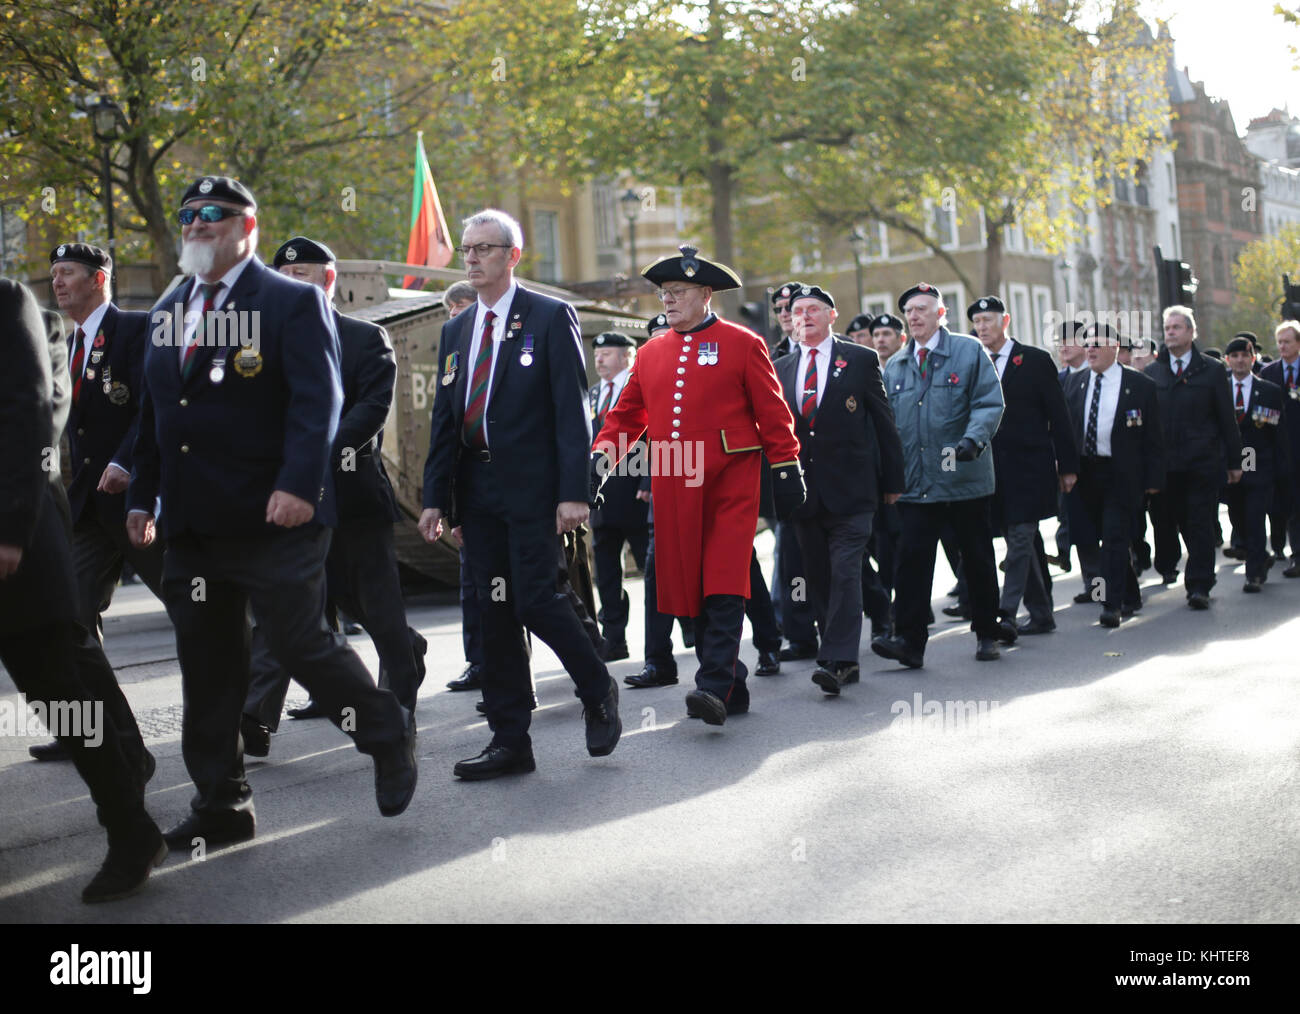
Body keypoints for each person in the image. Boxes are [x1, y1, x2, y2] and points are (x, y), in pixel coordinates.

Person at [127, 176, 417, 848]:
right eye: (189, 216)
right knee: (207, 665)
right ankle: (223, 803)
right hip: (195, 525)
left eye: (214, 215)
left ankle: (382, 728)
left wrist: (297, 483)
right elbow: (156, 414)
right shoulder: (171, 304)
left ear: (246, 228)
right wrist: (143, 496)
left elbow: (318, 403)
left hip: (275, 517)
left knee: (296, 642)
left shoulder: (288, 301)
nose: (197, 224)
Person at [419, 208, 621, 778]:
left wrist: (574, 491)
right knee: (496, 609)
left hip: (533, 490)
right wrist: (437, 498)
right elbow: (445, 419)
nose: (473, 259)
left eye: (484, 248)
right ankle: (510, 740)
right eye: (467, 250)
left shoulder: (549, 315)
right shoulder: (457, 330)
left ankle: (596, 687)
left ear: (512, 255)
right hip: (477, 491)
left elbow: (570, 411)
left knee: (535, 598)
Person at [0, 277, 164, 903]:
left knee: (62, 698)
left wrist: (11, 527)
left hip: (15, 551)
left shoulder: (9, 305)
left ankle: (130, 830)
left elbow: (28, 416)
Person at [593, 245, 804, 726]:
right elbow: (626, 416)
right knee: (687, 581)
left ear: (705, 294)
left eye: (678, 291)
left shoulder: (742, 342)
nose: (667, 300)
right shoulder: (650, 352)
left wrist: (787, 466)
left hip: (731, 478)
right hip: (672, 478)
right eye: (664, 293)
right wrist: (601, 460)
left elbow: (772, 412)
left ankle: (710, 684)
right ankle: (732, 682)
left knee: (725, 577)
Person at [240, 236, 427, 751]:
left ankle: (400, 705)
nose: (293, 283)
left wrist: (311, 450)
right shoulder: (262, 348)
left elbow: (370, 410)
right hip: (290, 502)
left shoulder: (366, 338)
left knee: (379, 611)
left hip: (352, 497)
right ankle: (255, 716)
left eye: (304, 275)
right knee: (284, 611)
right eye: (285, 275)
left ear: (328, 280)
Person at [26, 244, 163, 765]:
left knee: (199, 611)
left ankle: (239, 713)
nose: (57, 283)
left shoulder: (137, 329)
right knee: (68, 617)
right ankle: (87, 730)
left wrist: (129, 461)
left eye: (68, 274)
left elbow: (154, 406)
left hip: (138, 500)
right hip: (85, 507)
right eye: (53, 273)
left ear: (99, 279)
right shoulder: (62, 340)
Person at [776, 285, 903, 694]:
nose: (805, 316)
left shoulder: (860, 360)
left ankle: (839, 660)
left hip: (853, 491)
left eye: (814, 309)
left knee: (847, 573)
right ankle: (835, 650)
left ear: (832, 316)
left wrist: (893, 483)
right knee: (819, 578)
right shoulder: (781, 368)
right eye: (798, 311)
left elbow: (884, 424)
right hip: (804, 495)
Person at [871, 283, 1004, 668]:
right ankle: (910, 642)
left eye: (922, 310)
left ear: (940, 314)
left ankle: (987, 633)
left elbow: (988, 402)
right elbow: (890, 426)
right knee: (911, 563)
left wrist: (972, 440)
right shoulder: (895, 365)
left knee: (976, 559)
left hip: (963, 476)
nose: (914, 317)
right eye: (909, 311)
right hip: (917, 484)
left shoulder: (968, 351)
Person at [969, 295, 1078, 636]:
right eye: (977, 322)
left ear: (1006, 320)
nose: (982, 327)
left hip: (1030, 468)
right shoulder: (974, 362)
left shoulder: (1033, 360)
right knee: (1025, 541)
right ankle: (1042, 613)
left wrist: (1068, 465)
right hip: (991, 470)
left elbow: (1059, 416)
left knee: (1019, 538)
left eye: (988, 319)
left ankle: (1005, 612)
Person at [1063, 323, 1165, 626]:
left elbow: (1154, 438)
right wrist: (1065, 469)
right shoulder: (1074, 383)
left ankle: (1111, 604)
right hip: (1085, 474)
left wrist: (1154, 480)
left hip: (1121, 474)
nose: (1090, 349)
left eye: (1098, 343)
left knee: (1115, 537)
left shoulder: (1140, 385)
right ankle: (1130, 594)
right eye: (1088, 343)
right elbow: (1066, 432)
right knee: (1095, 539)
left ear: (1115, 347)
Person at [1144, 305, 1241, 608]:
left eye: (1176, 327)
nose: (1170, 332)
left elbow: (1227, 419)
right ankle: (1167, 563)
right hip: (1165, 467)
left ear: (1190, 332)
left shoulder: (1211, 370)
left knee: (1199, 525)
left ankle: (1199, 585)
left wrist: (1235, 461)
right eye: (1167, 327)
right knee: (1165, 521)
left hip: (1201, 464)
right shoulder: (1153, 372)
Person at [587, 331, 650, 661]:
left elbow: (652, 434)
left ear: (627, 356)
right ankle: (614, 638)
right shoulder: (595, 393)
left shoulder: (638, 385)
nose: (599, 359)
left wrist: (648, 479)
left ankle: (674, 631)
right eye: (597, 354)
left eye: (607, 354)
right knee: (607, 573)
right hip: (602, 497)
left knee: (649, 565)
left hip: (635, 493)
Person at [1222, 336, 1290, 591]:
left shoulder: (1269, 391)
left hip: (1259, 464)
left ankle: (1254, 574)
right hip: (1230, 466)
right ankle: (1259, 555)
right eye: (1235, 356)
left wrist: (1281, 470)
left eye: (1245, 355)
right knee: (1238, 518)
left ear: (1253, 359)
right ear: (1228, 360)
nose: (1240, 360)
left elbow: (1278, 433)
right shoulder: (1219, 389)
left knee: (1255, 517)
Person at [1259, 320, 1300, 577]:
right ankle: (1280, 548)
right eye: (1280, 342)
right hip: (1279, 450)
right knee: (1285, 503)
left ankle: (1297, 554)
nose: (1282, 346)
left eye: (1287, 341)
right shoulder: (1269, 373)